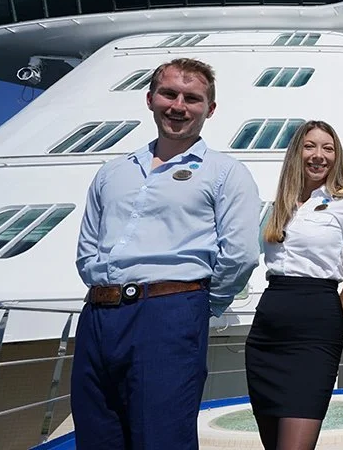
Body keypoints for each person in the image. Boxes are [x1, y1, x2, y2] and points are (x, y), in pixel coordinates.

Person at [73, 57, 261, 449]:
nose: (178, 106)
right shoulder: (112, 171)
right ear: (150, 99)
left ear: (210, 109)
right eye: (169, 94)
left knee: (163, 438)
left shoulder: (225, 172)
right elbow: (88, 246)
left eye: (192, 98)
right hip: (98, 316)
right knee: (96, 435)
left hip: (170, 311)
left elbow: (240, 254)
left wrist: (200, 303)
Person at [245, 121, 343, 449]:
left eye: (328, 148)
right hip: (266, 332)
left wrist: (328, 319)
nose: (319, 155)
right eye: (310, 146)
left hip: (314, 331)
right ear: (296, 153)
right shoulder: (283, 204)